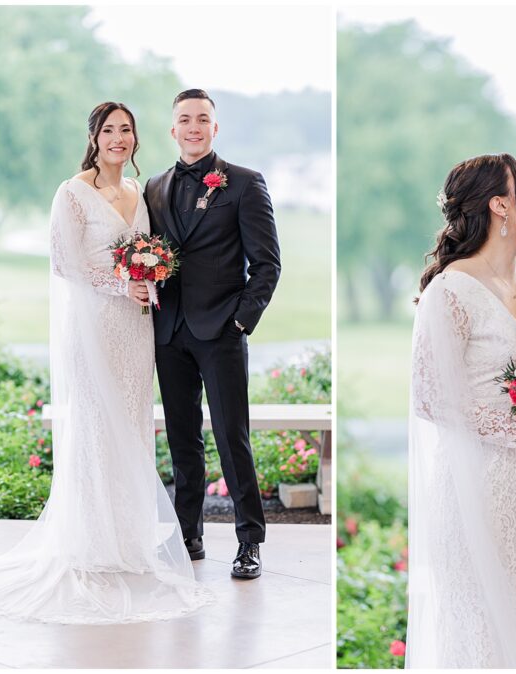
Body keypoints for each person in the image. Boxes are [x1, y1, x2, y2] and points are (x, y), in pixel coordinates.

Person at [0, 102, 213, 624]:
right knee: (95, 425)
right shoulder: (72, 191)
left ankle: (129, 537)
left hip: (136, 328)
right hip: (96, 325)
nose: (118, 139)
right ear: (94, 137)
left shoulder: (138, 193)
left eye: (126, 130)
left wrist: (147, 282)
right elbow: (64, 262)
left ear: (136, 139)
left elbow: (149, 253)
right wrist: (119, 284)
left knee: (129, 422)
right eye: (109, 131)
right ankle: (92, 539)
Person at [407, 154, 516, 667]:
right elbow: (430, 398)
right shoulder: (450, 290)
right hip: (476, 485)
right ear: (501, 204)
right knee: (479, 629)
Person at [144, 89, 281, 580]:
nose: (194, 127)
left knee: (231, 437)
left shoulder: (245, 183)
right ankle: (188, 535)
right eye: (185, 119)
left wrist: (240, 321)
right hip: (169, 331)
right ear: (173, 129)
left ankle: (249, 542)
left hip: (221, 330)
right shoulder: (154, 188)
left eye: (203, 119)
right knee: (182, 440)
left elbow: (267, 265)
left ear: (215, 128)